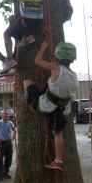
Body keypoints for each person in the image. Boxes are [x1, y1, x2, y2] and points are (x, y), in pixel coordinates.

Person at [23, 41, 79, 170]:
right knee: (58, 133)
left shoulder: (55, 68)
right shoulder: (74, 76)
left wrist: (43, 48)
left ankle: (31, 103)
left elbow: (37, 61)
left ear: (57, 57)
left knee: (27, 82)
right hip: (62, 110)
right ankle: (58, 161)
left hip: (46, 106)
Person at [0, 0, 43, 75]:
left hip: (27, 15)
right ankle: (27, 35)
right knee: (12, 18)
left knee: (6, 34)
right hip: (39, 14)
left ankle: (9, 60)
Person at [0, 109, 16, 180]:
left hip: (9, 143)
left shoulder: (10, 123)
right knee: (0, 159)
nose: (5, 115)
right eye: (4, 114)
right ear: (1, 115)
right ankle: (0, 175)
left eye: (6, 114)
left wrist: (13, 137)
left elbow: (15, 130)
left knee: (9, 159)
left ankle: (5, 172)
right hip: (2, 144)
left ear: (8, 115)